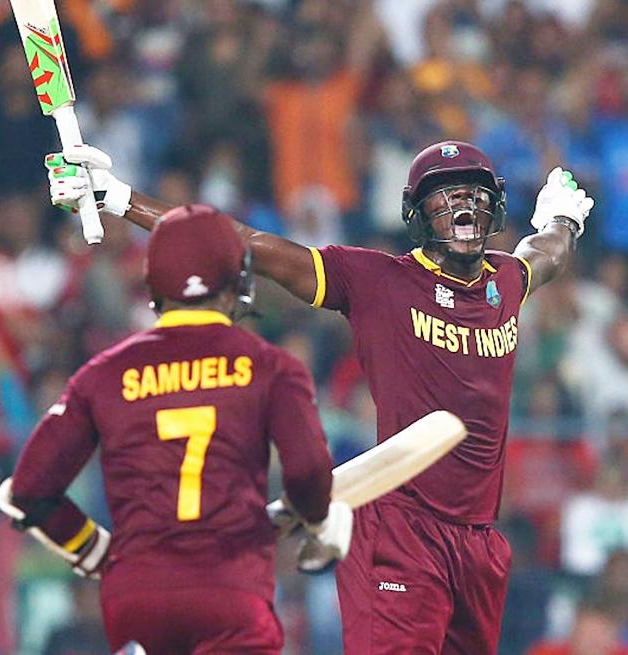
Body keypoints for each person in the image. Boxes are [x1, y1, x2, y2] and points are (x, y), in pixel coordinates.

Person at [44, 140, 594, 654]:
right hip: (398, 527)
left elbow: (547, 252)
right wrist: (119, 199)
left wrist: (563, 219)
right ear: (417, 215)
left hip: (479, 541)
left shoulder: (507, 280)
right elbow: (246, 245)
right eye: (446, 197)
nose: (464, 208)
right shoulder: (377, 279)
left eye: (474, 194)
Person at [0, 206, 353, 655]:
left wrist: (96, 553)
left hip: (136, 597)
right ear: (236, 279)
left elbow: (27, 490)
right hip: (229, 588)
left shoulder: (102, 373)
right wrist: (321, 519)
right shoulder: (271, 366)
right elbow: (305, 474)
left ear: (153, 284)